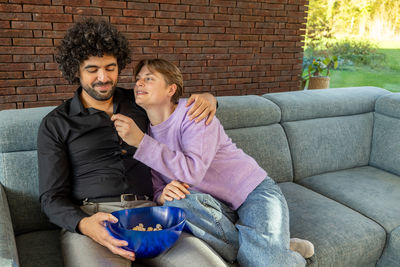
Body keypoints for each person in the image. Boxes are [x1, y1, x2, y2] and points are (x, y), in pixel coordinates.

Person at [37, 18, 228, 267]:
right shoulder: (56, 123)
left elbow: (177, 105)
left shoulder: (139, 101)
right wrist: (84, 225)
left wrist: (209, 98)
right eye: (92, 69)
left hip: (152, 213)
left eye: (110, 67)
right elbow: (51, 197)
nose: (103, 78)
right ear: (76, 70)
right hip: (95, 218)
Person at [112, 59, 315, 267]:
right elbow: (157, 186)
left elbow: (193, 171)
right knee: (175, 201)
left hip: (253, 192)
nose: (139, 84)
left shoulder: (194, 113)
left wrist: (141, 143)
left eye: (149, 79)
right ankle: (269, 245)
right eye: (137, 80)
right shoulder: (147, 133)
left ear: (171, 89)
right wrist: (162, 194)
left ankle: (279, 253)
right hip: (212, 207)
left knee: (263, 262)